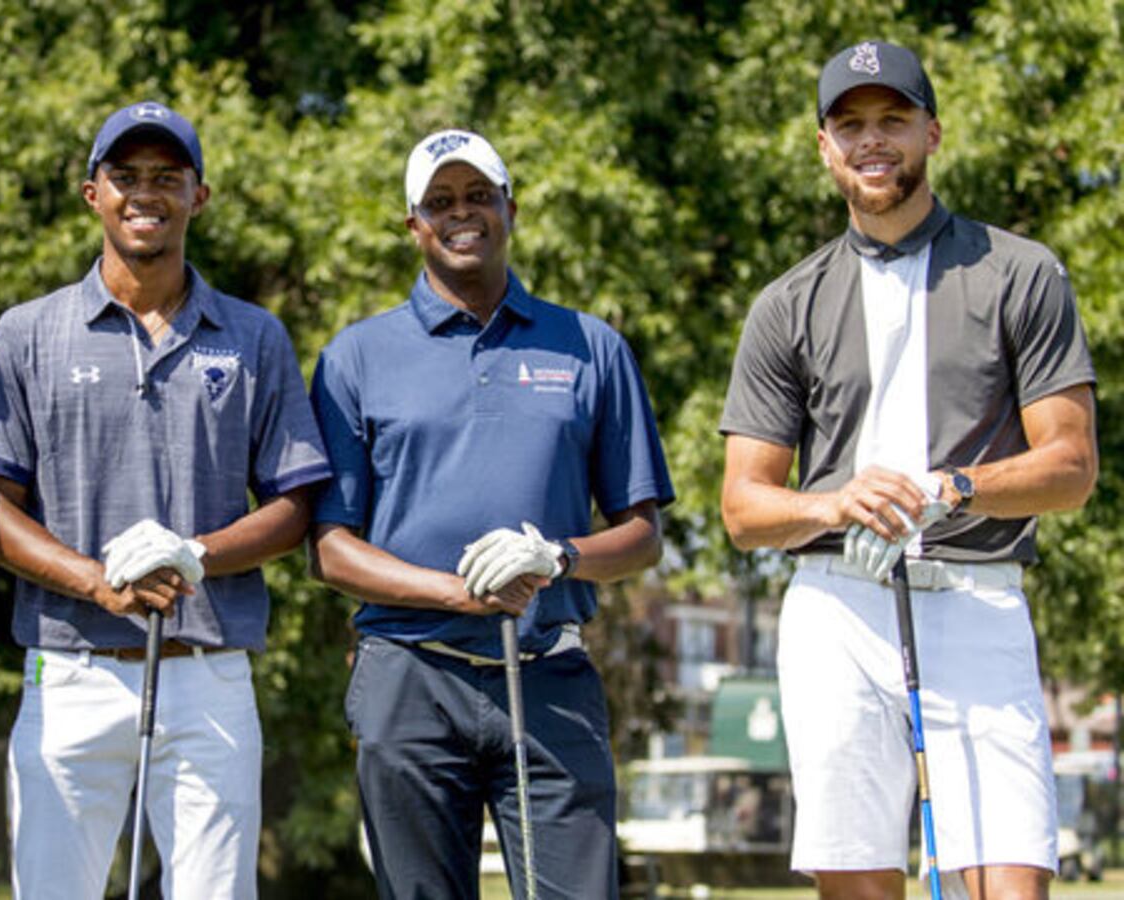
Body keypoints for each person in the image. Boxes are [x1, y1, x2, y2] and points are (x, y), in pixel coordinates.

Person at [719, 40, 1098, 900]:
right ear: (825, 147)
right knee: (857, 884)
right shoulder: (786, 304)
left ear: (932, 131)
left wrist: (946, 488)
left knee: (1008, 884)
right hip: (837, 609)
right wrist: (839, 502)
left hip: (977, 593)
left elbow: (1071, 467)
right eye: (850, 125)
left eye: (892, 119)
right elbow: (743, 508)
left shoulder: (1021, 272)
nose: (872, 141)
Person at [0, 100, 331, 899]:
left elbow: (295, 507)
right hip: (70, 667)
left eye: (167, 177)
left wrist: (197, 555)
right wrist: (95, 581)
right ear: (90, 193)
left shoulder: (253, 337)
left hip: (209, 670)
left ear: (198, 196)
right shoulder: (26, 333)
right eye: (125, 176)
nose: (146, 193)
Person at [309, 128, 674, 899]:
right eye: (439, 202)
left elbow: (642, 534)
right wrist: (458, 592)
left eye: (478, 196)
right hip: (408, 678)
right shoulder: (355, 357)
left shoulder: (590, 347)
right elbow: (332, 551)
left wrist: (558, 559)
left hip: (549, 675)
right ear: (413, 223)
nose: (461, 214)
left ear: (510, 207)